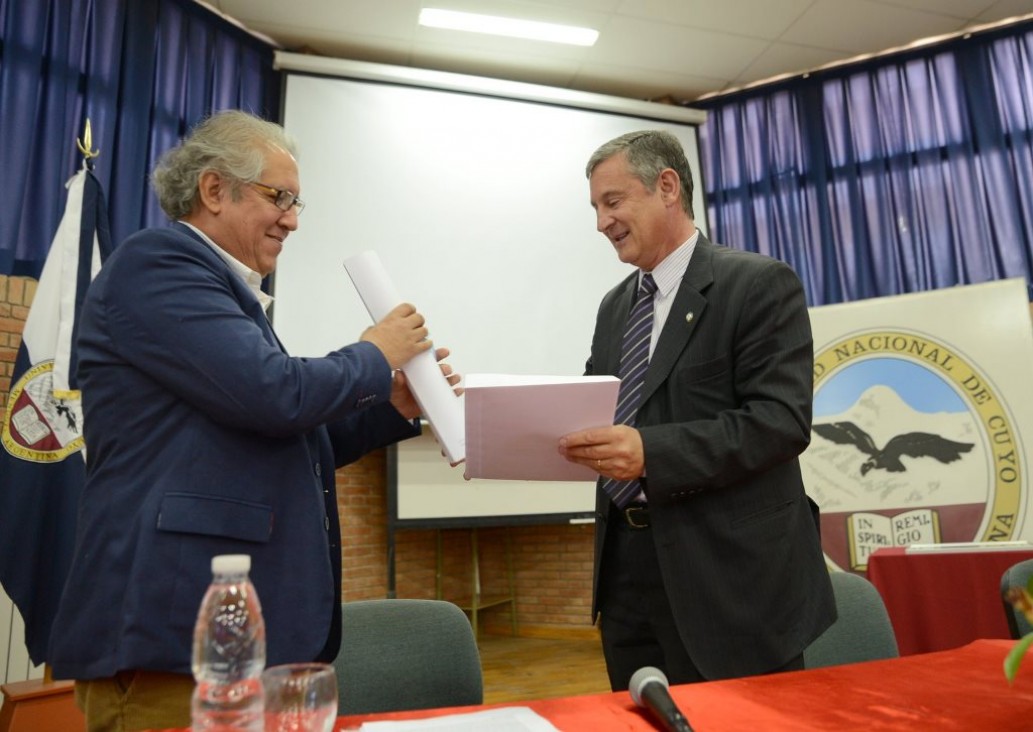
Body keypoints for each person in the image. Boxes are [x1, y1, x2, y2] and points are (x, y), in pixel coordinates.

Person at [47, 110, 457, 730]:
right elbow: (277, 395)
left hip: (236, 644)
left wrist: (392, 408)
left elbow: (285, 433)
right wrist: (375, 353)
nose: (292, 218)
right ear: (214, 190)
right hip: (173, 637)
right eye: (279, 197)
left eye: (297, 201)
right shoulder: (158, 265)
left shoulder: (225, 292)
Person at [559, 130, 835, 690]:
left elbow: (779, 423)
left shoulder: (757, 284)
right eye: (594, 207)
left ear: (667, 187)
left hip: (732, 583)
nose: (601, 223)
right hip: (627, 578)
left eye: (612, 202)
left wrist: (649, 453)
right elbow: (596, 411)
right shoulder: (615, 307)